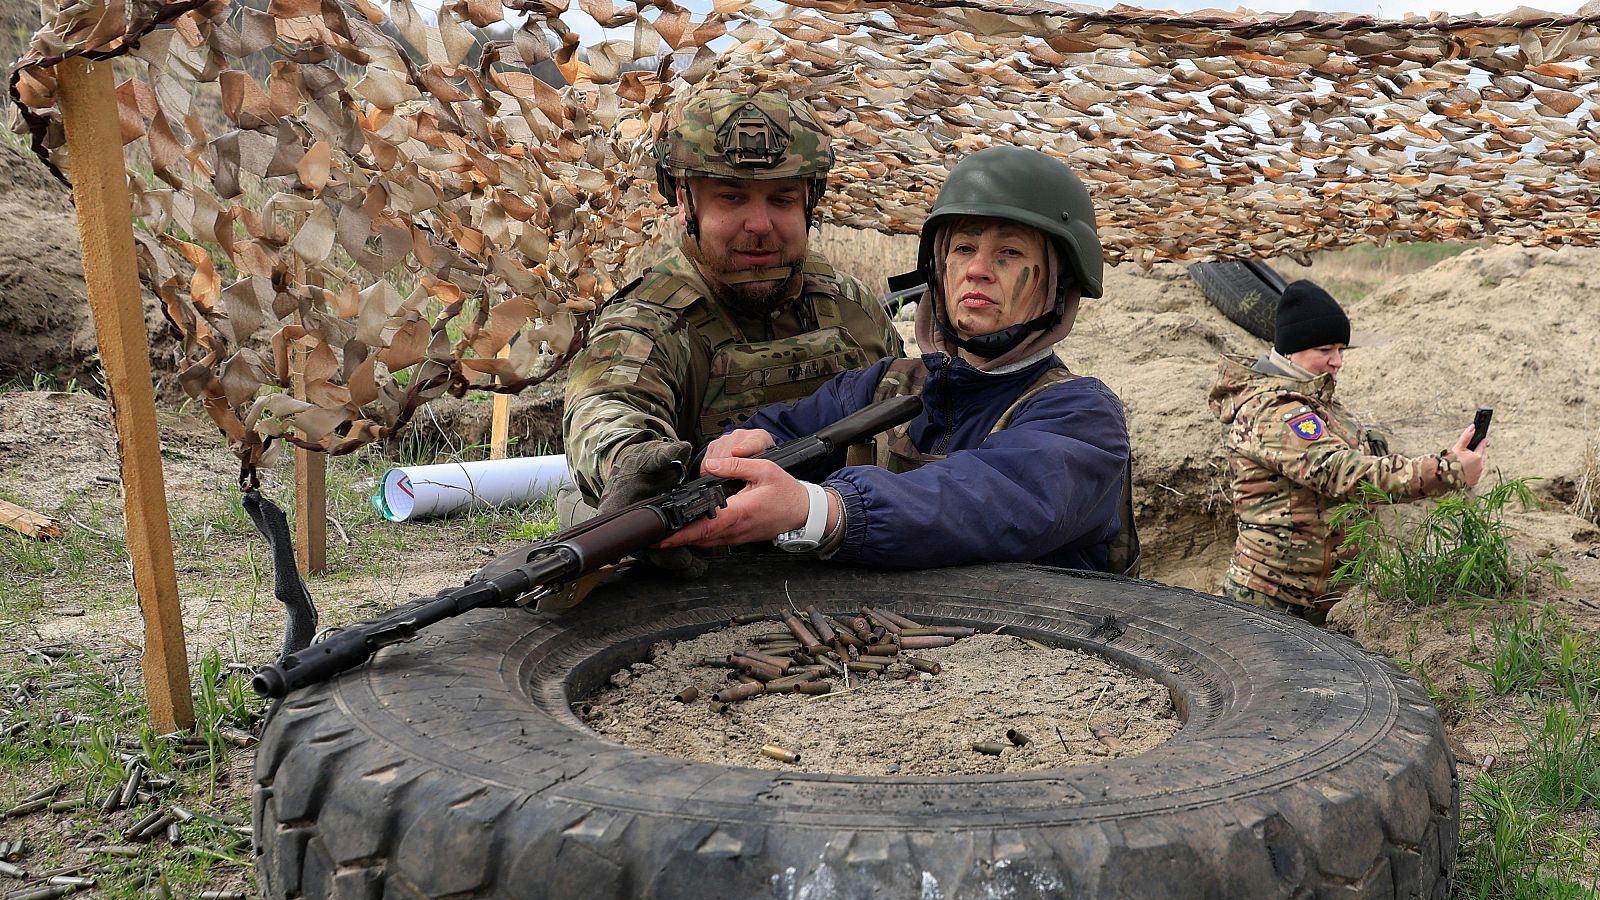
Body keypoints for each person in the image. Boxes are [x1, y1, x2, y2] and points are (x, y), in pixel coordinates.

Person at [658, 146, 1136, 573]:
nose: (977, 269)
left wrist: (820, 509)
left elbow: (987, 497)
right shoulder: (882, 386)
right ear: (938, 267)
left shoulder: (1082, 416)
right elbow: (786, 430)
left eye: (1008, 253)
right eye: (964, 248)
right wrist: (731, 455)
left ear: (1059, 283)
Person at [560, 89, 904, 552]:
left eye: (782, 199)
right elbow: (606, 410)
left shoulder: (850, 307)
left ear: (809, 203)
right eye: (731, 197)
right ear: (686, 202)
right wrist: (638, 462)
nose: (759, 224)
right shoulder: (651, 323)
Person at [1209, 280, 1488, 624]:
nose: (1337, 361)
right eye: (1325, 350)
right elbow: (1341, 473)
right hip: (1269, 603)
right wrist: (1447, 471)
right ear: (1292, 349)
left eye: (1341, 349)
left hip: (1319, 602)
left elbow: (1366, 465)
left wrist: (1449, 461)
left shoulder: (1317, 402)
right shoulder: (1273, 410)